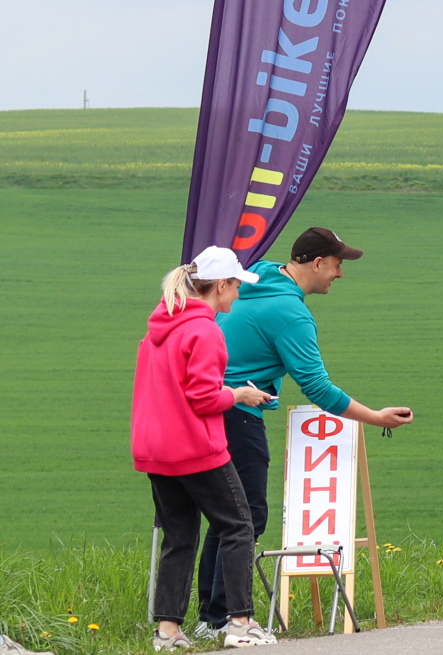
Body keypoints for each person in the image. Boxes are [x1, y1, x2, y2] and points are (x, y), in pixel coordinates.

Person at [195, 228, 414, 634]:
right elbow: (316, 387)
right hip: (237, 414)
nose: (340, 274)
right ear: (317, 264)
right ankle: (226, 619)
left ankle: (211, 616)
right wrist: (377, 417)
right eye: (337, 265)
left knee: (226, 514)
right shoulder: (290, 313)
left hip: (207, 406)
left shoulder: (258, 276)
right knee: (246, 515)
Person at [132, 246, 278, 649]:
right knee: (238, 526)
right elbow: (202, 398)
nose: (237, 295)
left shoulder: (159, 329)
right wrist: (238, 396)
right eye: (235, 287)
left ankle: (167, 631)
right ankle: (240, 624)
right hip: (196, 448)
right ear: (219, 286)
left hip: (155, 450)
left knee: (180, 537)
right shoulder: (205, 330)